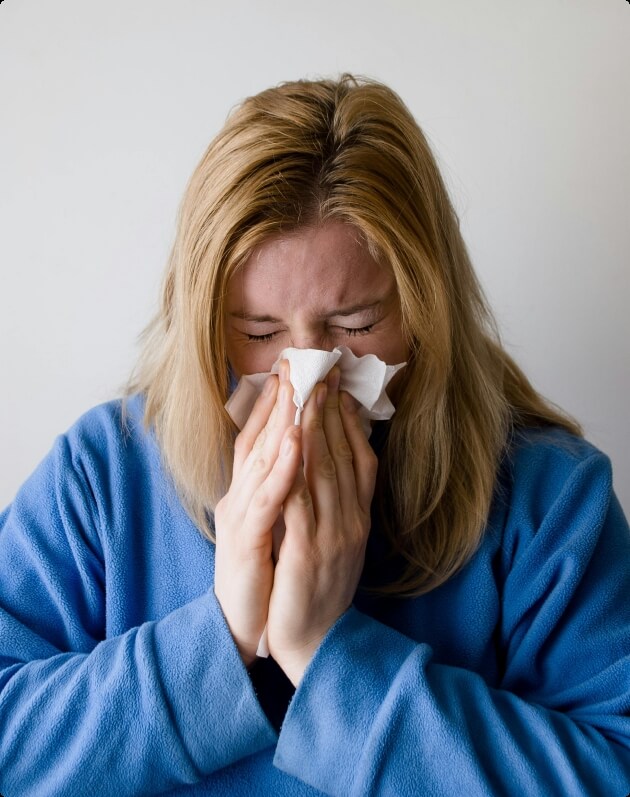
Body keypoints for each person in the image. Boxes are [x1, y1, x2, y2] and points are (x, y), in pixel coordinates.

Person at [0, 75, 628, 797]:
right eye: (259, 332)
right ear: (204, 324)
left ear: (427, 310)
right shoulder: (101, 476)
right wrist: (224, 636)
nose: (307, 376)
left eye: (356, 325)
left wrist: (325, 652)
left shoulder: (547, 499)